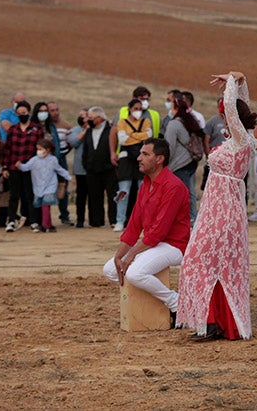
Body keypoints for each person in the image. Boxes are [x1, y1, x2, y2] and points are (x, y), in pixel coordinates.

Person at [177, 72, 257, 341]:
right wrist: (241, 81)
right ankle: (214, 320)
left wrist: (232, 84)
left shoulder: (241, 140)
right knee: (213, 264)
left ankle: (213, 322)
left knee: (198, 261)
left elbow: (234, 109)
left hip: (224, 210)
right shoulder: (242, 138)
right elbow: (239, 108)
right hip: (217, 207)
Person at [102, 138, 191, 322]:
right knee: (111, 269)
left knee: (134, 273)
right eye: (140, 153)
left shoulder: (173, 186)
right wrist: (120, 256)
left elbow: (159, 231)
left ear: (159, 159)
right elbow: (134, 226)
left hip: (175, 245)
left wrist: (131, 255)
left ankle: (178, 304)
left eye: (145, 154)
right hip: (153, 243)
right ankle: (152, 309)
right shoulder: (146, 185)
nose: (138, 158)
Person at [0, 100, 43, 232]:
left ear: (29, 113)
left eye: (24, 113)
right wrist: (5, 167)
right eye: (19, 113)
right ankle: (11, 220)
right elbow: (8, 150)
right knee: (14, 195)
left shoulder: (36, 129)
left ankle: (33, 221)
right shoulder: (13, 130)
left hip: (30, 168)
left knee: (30, 195)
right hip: (14, 168)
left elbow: (40, 149)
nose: (22, 115)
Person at [113, 98, 153, 232]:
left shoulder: (146, 121)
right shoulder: (122, 122)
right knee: (124, 191)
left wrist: (132, 135)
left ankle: (145, 221)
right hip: (126, 160)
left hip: (142, 158)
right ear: (130, 109)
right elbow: (122, 140)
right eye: (135, 109)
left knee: (144, 190)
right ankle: (120, 220)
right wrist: (140, 136)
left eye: (140, 109)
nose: (138, 111)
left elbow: (149, 136)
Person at [164, 96, 205, 225]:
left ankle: (184, 219)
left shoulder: (174, 124)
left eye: (172, 108)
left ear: (176, 109)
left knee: (179, 194)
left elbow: (169, 146)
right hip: (191, 162)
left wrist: (165, 162)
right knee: (190, 191)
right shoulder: (190, 121)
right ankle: (192, 216)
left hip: (178, 164)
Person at [17, 138, 71, 233]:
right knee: (44, 206)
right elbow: (25, 168)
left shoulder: (53, 160)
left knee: (45, 205)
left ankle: (45, 225)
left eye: (41, 149)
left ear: (48, 149)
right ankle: (49, 225)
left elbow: (60, 170)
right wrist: (20, 166)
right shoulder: (34, 160)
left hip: (50, 186)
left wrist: (69, 177)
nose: (39, 151)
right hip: (38, 187)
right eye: (38, 149)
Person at [82, 106, 117, 228]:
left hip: (109, 168)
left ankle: (114, 220)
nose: (88, 120)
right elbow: (85, 149)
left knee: (112, 195)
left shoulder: (111, 129)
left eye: (90, 118)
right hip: (92, 169)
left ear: (99, 118)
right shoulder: (89, 131)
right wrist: (86, 164)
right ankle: (96, 221)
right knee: (94, 195)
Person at [47, 101, 74, 226]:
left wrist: (62, 153)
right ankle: (44, 218)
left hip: (60, 158)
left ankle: (64, 215)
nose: (55, 113)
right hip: (45, 160)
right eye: (52, 110)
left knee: (62, 187)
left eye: (57, 109)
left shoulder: (66, 125)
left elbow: (71, 143)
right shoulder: (45, 126)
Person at [66, 108, 90, 227]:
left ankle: (94, 219)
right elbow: (74, 142)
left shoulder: (95, 129)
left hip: (92, 168)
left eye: (84, 115)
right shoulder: (75, 130)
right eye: (80, 115)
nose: (81, 117)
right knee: (80, 195)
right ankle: (80, 219)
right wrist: (85, 131)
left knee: (93, 195)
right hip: (80, 168)